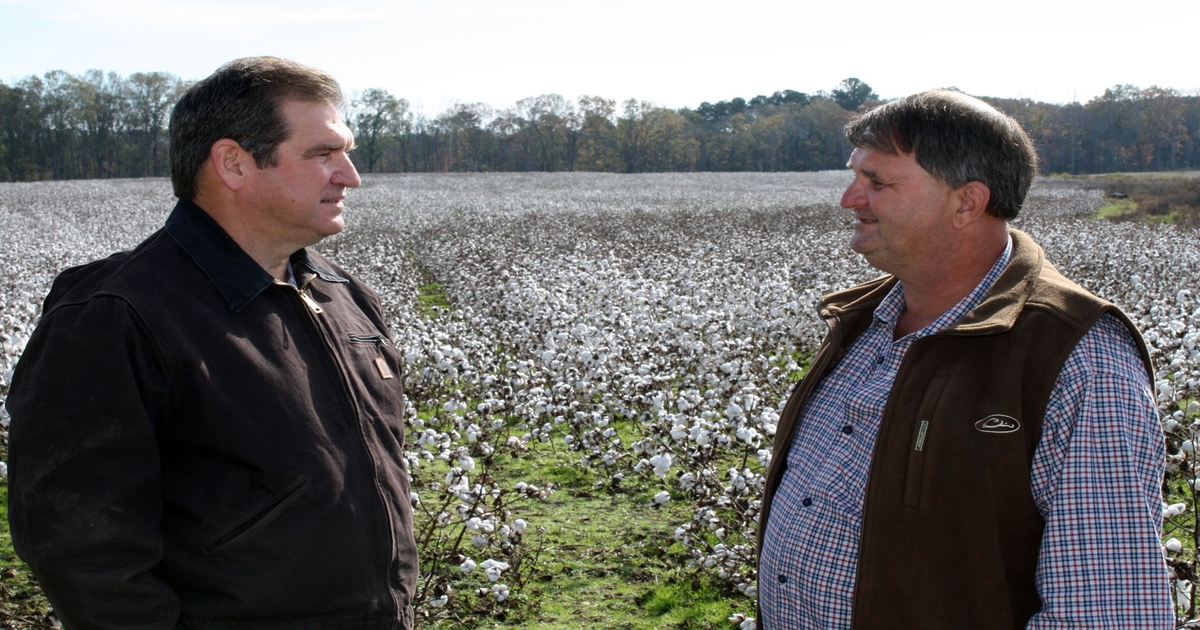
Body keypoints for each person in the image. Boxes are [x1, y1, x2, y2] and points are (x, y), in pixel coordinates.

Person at [6, 57, 418, 628]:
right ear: (232, 163)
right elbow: (86, 553)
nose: (350, 175)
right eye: (322, 154)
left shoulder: (343, 296)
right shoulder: (114, 317)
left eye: (345, 152)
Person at [756, 90, 1173, 629]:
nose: (849, 199)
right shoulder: (860, 322)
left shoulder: (1077, 358)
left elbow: (1106, 609)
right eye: (855, 176)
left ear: (965, 203)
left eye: (876, 182)